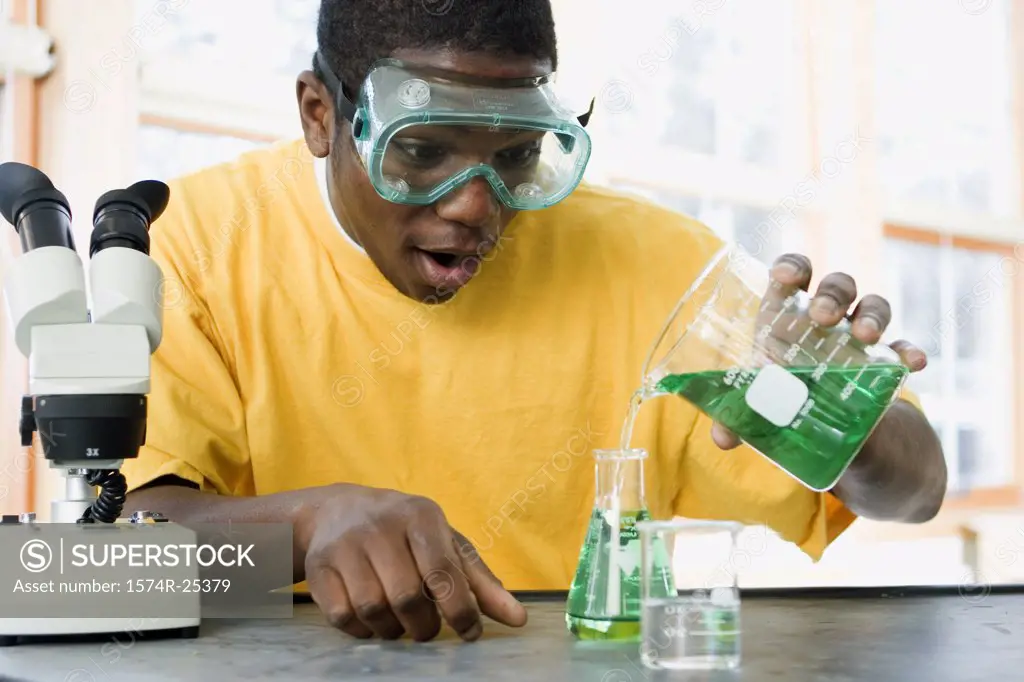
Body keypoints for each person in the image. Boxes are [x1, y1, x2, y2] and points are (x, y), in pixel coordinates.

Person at [122, 0, 947, 644]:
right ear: (318, 114)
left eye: (517, 154)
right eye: (420, 150)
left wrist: (855, 427)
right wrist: (304, 529)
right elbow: (93, 574)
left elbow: (917, 492)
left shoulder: (647, 264)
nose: (474, 205)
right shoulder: (194, 243)